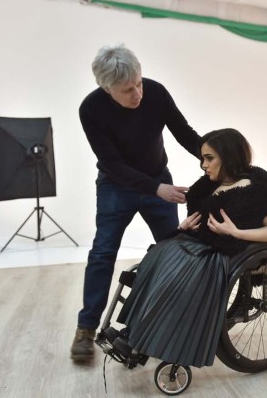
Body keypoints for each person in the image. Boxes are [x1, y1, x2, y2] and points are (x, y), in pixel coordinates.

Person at [112, 128, 267, 368]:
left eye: (209, 158)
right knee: (160, 254)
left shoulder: (251, 188)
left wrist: (236, 232)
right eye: (203, 158)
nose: (203, 165)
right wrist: (185, 226)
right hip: (196, 244)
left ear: (229, 156)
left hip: (218, 254)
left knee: (176, 263)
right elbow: (201, 222)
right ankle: (135, 334)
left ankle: (141, 340)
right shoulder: (210, 185)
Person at [71, 44, 201, 362]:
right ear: (106, 89)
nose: (138, 94)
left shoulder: (155, 92)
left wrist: (215, 155)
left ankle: (178, 319)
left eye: (139, 83)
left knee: (175, 253)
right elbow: (112, 164)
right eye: (128, 90)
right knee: (102, 252)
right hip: (117, 186)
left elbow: (184, 132)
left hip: (157, 179)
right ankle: (86, 328)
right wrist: (156, 189)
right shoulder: (90, 109)